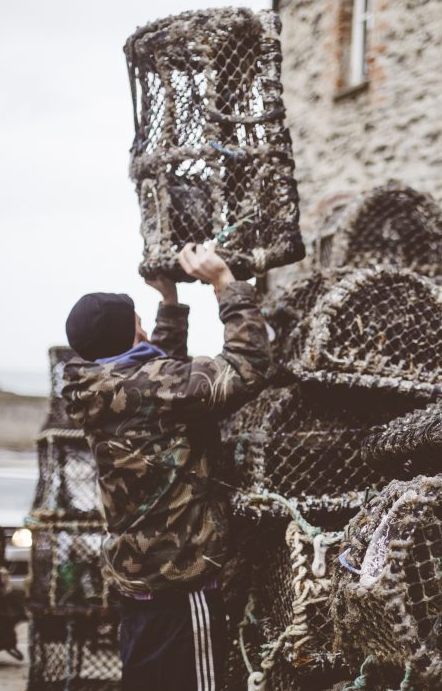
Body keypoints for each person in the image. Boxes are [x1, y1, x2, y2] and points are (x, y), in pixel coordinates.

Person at [61, 243, 270, 691]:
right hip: (181, 582)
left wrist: (171, 304)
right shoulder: (154, 387)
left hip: (141, 576)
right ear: (131, 333)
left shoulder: (95, 385)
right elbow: (248, 366)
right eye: (137, 321)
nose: (142, 326)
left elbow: (158, 374)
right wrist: (224, 285)